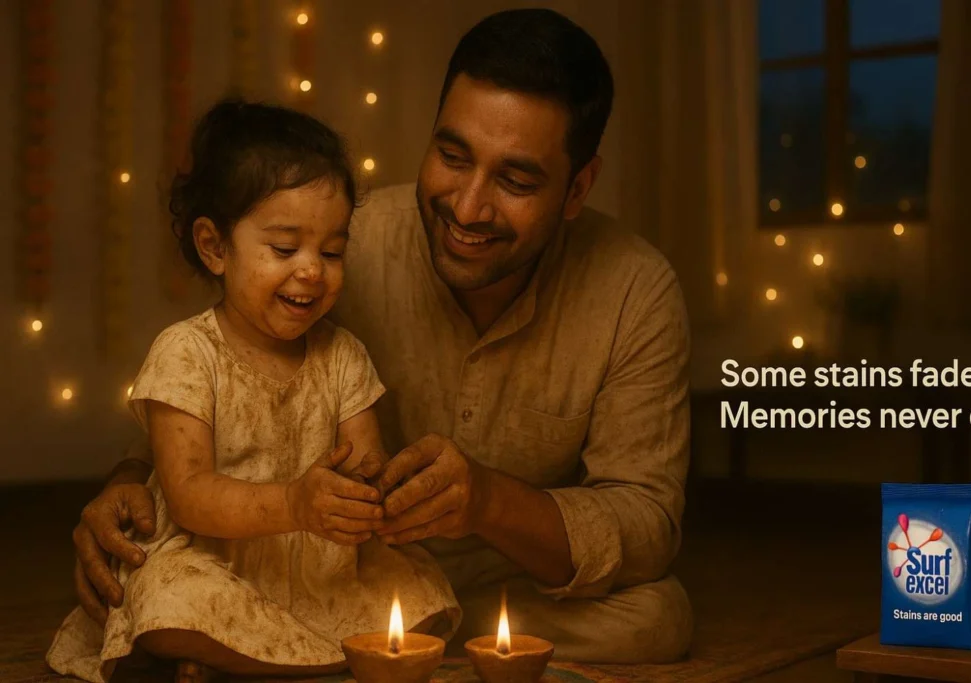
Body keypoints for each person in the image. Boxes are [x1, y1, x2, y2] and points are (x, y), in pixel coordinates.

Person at [68, 8, 692, 665]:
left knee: (657, 617)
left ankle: (361, 637)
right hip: (305, 559)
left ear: (577, 188)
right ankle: (388, 640)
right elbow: (211, 388)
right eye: (452, 156)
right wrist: (125, 485)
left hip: (484, 579)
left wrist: (487, 502)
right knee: (173, 578)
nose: (468, 207)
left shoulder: (635, 292)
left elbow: (648, 524)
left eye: (514, 180)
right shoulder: (336, 245)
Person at [47, 100, 460, 683]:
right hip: (218, 562)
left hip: (320, 566)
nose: (313, 270)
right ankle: (285, 656)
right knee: (168, 598)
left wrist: (369, 496)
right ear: (215, 247)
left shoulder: (343, 356)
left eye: (333, 251)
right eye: (285, 249)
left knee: (423, 600)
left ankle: (240, 659)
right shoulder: (187, 353)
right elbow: (188, 494)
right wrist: (292, 503)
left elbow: (368, 462)